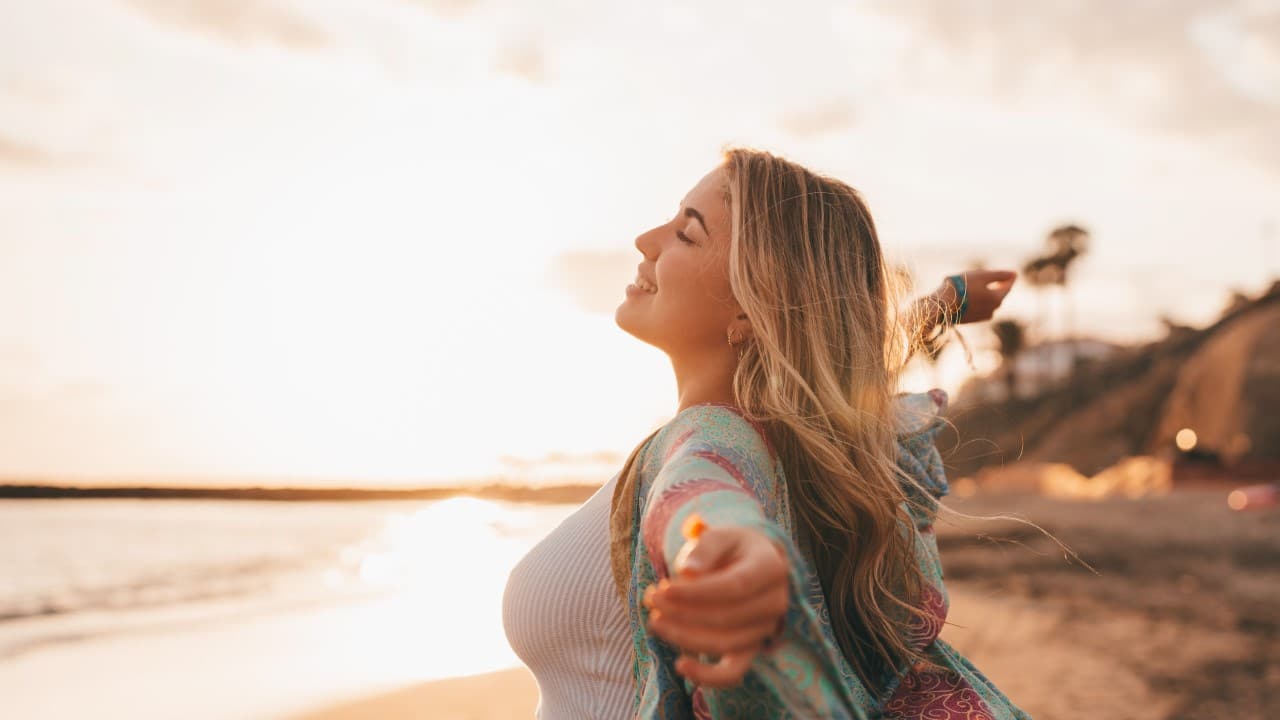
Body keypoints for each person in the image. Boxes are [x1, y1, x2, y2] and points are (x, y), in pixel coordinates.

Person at [502, 147, 1026, 719]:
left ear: (751, 312)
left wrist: (733, 551)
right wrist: (937, 308)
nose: (645, 239)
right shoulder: (785, 435)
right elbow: (836, 371)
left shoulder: (710, 437)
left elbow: (704, 493)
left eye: (687, 232)